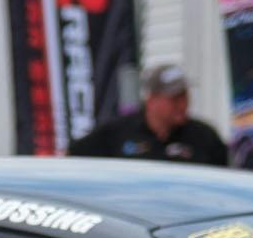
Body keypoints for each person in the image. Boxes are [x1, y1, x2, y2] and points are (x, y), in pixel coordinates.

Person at [69, 63, 228, 165]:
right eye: (174, 99)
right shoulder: (118, 132)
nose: (182, 105)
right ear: (151, 100)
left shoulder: (204, 136)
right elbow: (74, 157)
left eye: (184, 96)